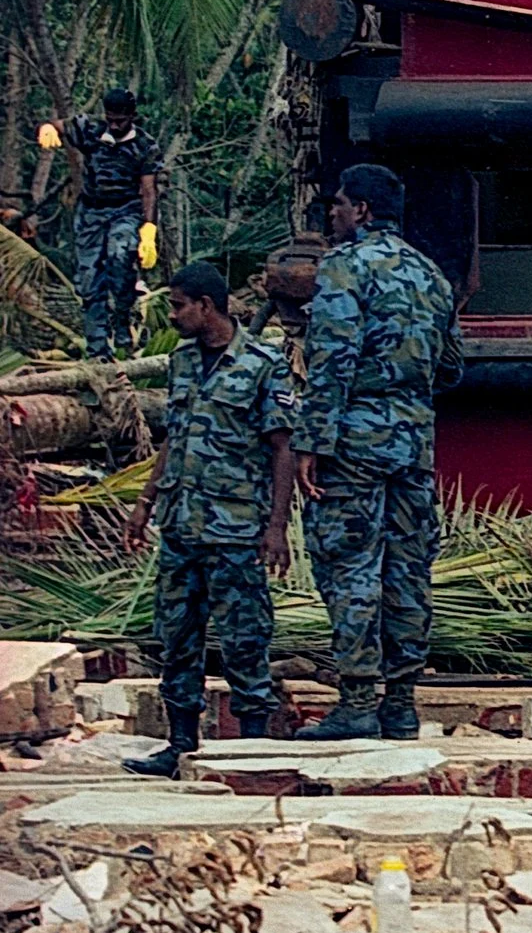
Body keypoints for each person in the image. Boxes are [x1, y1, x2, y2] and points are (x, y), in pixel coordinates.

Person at [293, 164, 462, 742]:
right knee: (408, 569)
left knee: (351, 563)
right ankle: (401, 704)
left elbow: (333, 360)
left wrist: (313, 440)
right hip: (414, 442)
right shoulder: (430, 274)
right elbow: (452, 366)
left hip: (354, 440)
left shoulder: (344, 268)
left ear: (362, 210)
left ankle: (358, 702)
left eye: (339, 205)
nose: (333, 214)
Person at [120, 263, 297, 775]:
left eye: (178, 306)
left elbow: (283, 448)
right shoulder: (182, 361)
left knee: (244, 639)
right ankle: (179, 744)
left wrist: (277, 527)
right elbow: (174, 437)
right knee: (176, 636)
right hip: (181, 526)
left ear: (206, 305)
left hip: (236, 529)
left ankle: (255, 750)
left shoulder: (262, 364)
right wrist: (145, 503)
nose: (172, 315)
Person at [39, 87, 162, 359]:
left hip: (126, 210)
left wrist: (148, 229)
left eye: (121, 120)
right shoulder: (91, 129)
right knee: (89, 282)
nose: (115, 125)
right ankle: (98, 350)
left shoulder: (144, 145)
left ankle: (122, 318)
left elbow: (149, 189)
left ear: (133, 116)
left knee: (120, 257)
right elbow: (58, 125)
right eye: (111, 119)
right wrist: (48, 129)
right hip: (92, 211)